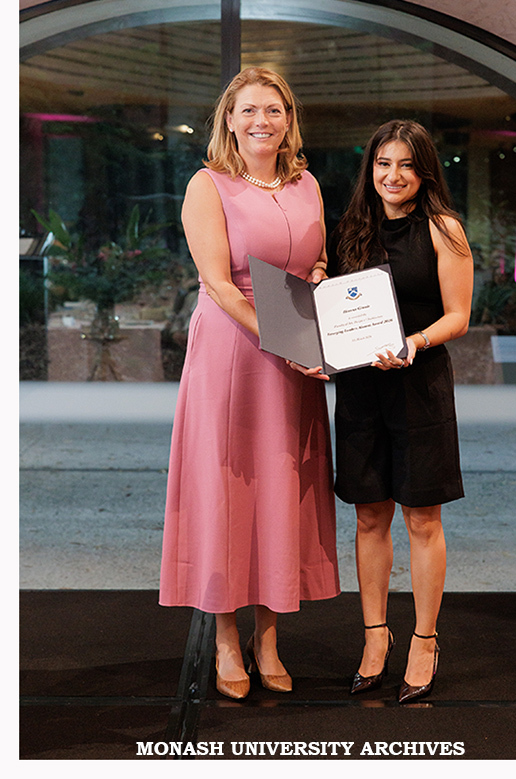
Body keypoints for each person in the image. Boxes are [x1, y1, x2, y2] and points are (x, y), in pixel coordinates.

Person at [159, 67, 340, 700]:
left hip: (293, 353)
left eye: (274, 109)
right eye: (249, 110)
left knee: (281, 487)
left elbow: (315, 259)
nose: (262, 120)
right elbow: (216, 282)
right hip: (233, 352)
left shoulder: (307, 184)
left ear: (289, 120)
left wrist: (320, 285)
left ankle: (270, 638)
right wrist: (287, 340)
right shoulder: (206, 185)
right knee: (228, 489)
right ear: (229, 121)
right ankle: (226, 641)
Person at [329, 119, 473, 704]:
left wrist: (414, 342)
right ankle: (374, 635)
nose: (393, 175)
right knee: (368, 516)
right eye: (384, 164)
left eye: (406, 165)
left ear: (424, 171)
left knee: (422, 520)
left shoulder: (444, 229)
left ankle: (425, 640)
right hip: (360, 390)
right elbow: (330, 304)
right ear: (371, 169)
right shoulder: (347, 231)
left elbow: (458, 315)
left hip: (419, 386)